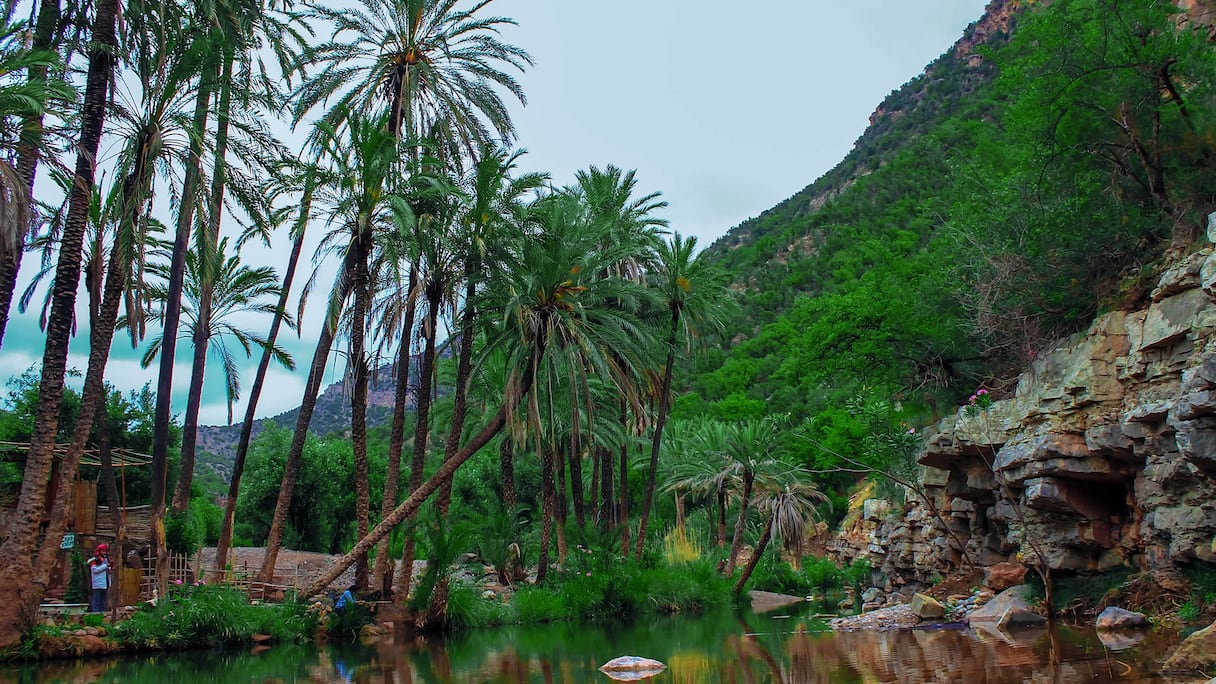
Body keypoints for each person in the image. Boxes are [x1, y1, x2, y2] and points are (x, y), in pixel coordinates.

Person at [87, 543, 111, 613]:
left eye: (105, 551)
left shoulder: (105, 559)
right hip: (98, 583)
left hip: (105, 582)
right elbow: (95, 570)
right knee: (96, 599)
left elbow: (106, 569)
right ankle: (95, 613)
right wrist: (105, 566)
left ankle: (102, 613)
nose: (104, 553)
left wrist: (109, 567)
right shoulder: (94, 560)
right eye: (103, 551)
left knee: (103, 600)